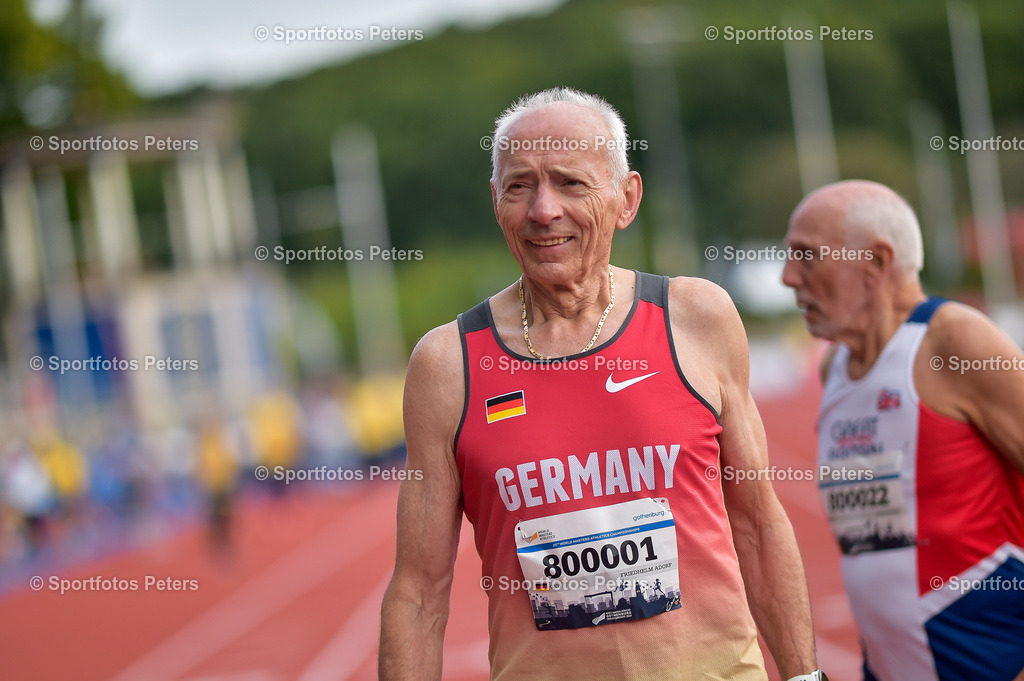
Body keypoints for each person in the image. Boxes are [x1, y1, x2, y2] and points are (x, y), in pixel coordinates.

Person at [379, 87, 825, 681]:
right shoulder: (447, 365)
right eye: (519, 186)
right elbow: (418, 592)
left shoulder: (696, 318)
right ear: (495, 202)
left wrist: (804, 676)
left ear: (626, 198)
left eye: (570, 182)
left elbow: (758, 524)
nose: (543, 210)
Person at [781, 180, 1024, 681]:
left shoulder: (953, 339)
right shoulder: (836, 368)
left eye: (806, 257)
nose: (788, 278)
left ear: (874, 262)